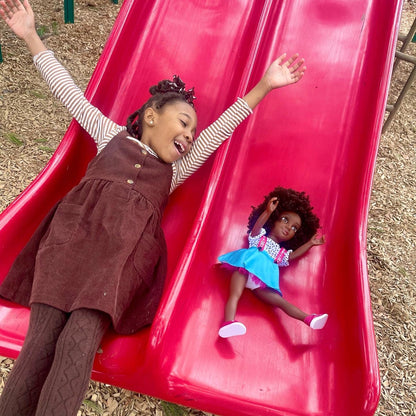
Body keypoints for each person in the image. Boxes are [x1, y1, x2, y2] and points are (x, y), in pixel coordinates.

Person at [0, 0, 307, 414]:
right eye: (183, 122)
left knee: (77, 344)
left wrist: (265, 86)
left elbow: (220, 129)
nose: (190, 133)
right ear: (149, 117)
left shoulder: (174, 171)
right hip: (69, 244)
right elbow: (68, 92)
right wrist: (31, 35)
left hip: (118, 262)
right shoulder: (110, 135)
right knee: (38, 345)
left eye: (192, 130)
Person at [218, 187, 328, 338]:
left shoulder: (280, 253)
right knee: (235, 294)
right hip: (245, 268)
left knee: (281, 302)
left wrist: (310, 244)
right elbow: (257, 227)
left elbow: (293, 256)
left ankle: (308, 318)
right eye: (285, 220)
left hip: (262, 281)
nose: (289, 227)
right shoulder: (259, 237)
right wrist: (268, 212)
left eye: (294, 228)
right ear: (274, 219)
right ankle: (228, 322)